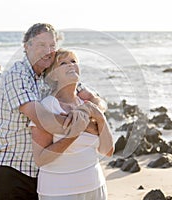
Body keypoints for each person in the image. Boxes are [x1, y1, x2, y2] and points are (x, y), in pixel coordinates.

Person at [0, 23, 107, 200]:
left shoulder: (52, 74)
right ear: (27, 46)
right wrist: (90, 125)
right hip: (12, 169)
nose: (48, 51)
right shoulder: (18, 74)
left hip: (42, 171)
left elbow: (97, 101)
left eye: (52, 45)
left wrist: (90, 110)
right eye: (41, 45)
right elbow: (41, 118)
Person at [30, 49, 114, 200]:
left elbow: (107, 151)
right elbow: (40, 159)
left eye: (73, 61)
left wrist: (100, 118)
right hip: (59, 191)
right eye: (63, 63)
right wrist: (73, 135)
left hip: (95, 186)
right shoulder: (48, 107)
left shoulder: (88, 105)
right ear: (53, 75)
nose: (70, 65)